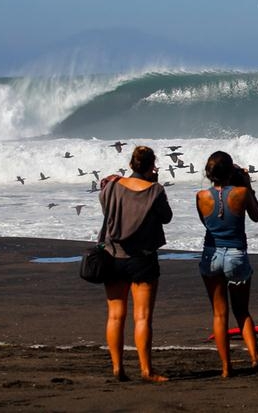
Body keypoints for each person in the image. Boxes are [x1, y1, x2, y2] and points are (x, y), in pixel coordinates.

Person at [98, 145, 173, 382]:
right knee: (142, 317)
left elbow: (106, 209)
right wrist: (155, 183)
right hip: (142, 258)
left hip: (112, 256)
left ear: (131, 164)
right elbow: (166, 218)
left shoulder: (111, 187)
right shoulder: (155, 190)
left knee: (115, 315)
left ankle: (117, 367)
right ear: (152, 166)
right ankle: (146, 370)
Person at [196, 151, 258, 377]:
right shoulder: (242, 193)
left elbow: (207, 223)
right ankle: (255, 358)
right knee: (242, 311)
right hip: (236, 253)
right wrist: (247, 185)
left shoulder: (201, 196)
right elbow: (257, 216)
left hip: (211, 254)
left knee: (219, 313)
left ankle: (226, 367)